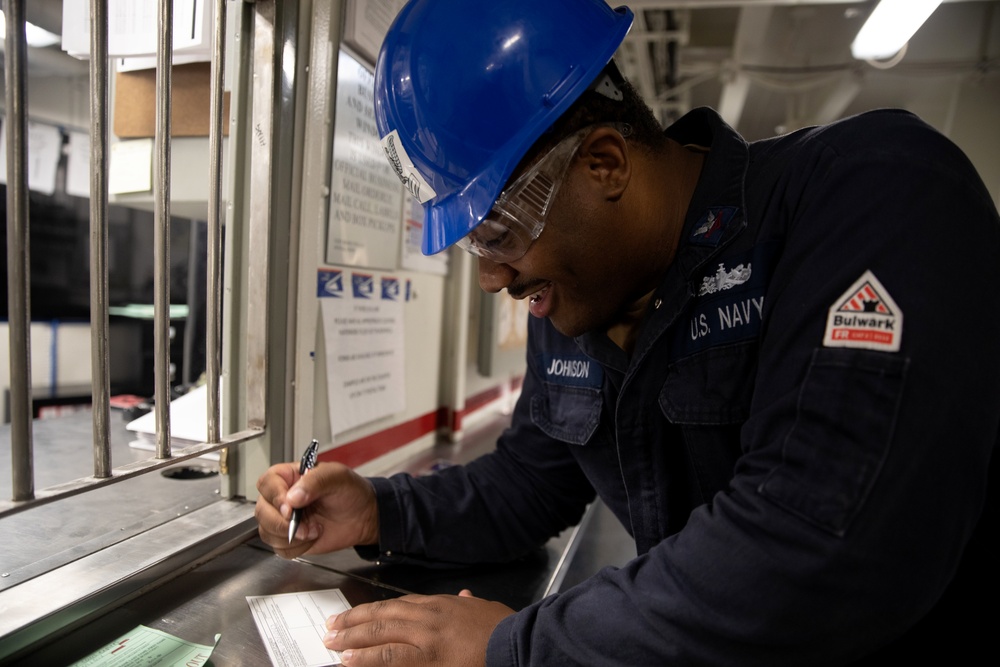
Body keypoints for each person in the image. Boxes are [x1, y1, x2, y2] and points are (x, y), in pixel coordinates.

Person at [255, 0, 1000, 664]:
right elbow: (526, 485)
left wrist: (517, 647)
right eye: (476, 245)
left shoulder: (870, 195)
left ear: (605, 164)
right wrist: (380, 509)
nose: (493, 279)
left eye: (500, 236)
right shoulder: (580, 296)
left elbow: (814, 541)